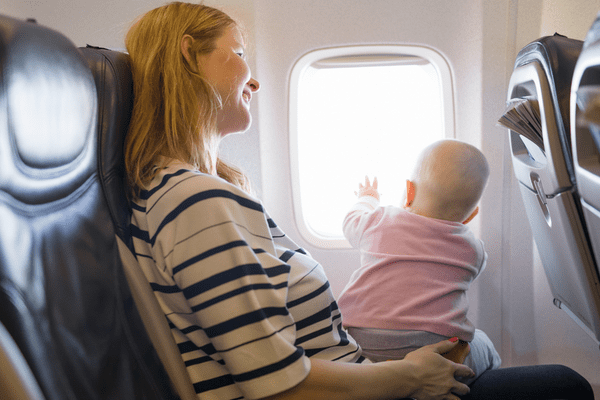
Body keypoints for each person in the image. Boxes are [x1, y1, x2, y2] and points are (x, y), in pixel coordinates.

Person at [123, 2, 594, 399]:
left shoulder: (189, 193)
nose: (256, 80)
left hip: (361, 370)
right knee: (565, 386)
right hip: (363, 388)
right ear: (189, 55)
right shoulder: (196, 202)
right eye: (240, 52)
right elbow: (275, 384)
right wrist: (407, 374)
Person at [337, 140, 501, 383]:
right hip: (440, 351)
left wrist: (368, 197)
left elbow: (350, 221)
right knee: (484, 344)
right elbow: (475, 269)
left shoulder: (380, 220)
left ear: (409, 191)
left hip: (363, 344)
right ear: (472, 215)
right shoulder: (473, 249)